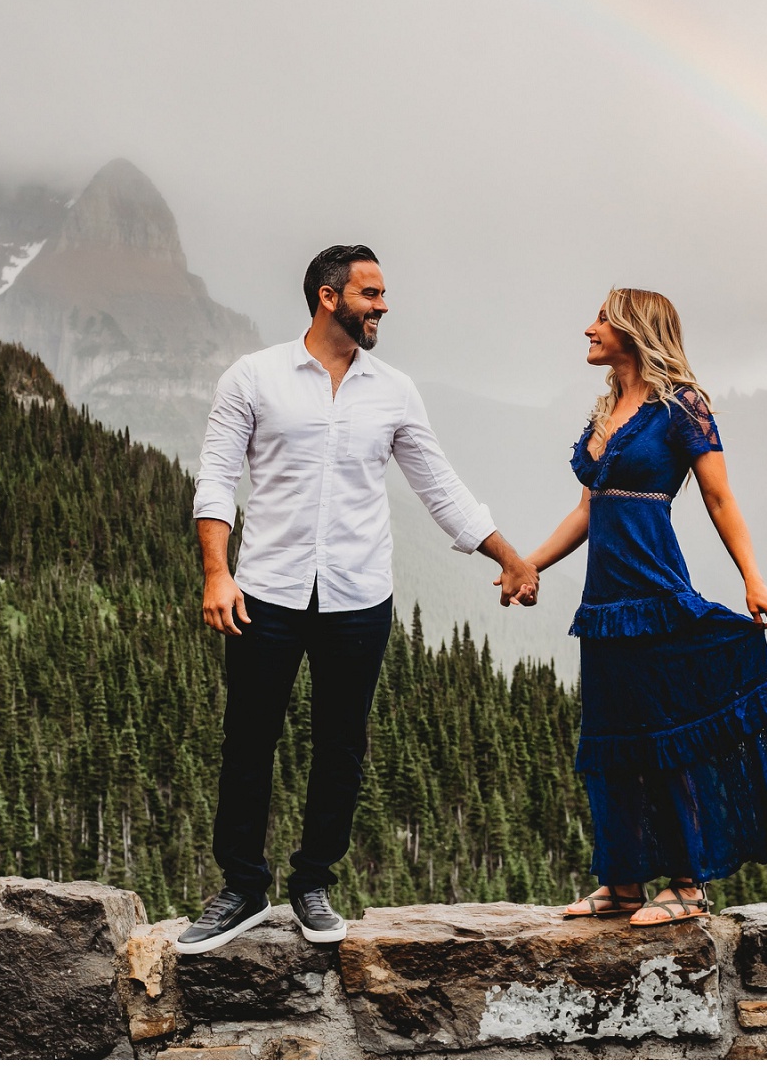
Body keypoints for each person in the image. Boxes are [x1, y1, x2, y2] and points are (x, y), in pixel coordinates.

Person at [183, 243, 540, 953]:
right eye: (371, 294)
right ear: (328, 296)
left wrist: (509, 557)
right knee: (248, 740)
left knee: (340, 746)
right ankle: (242, 888)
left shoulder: (394, 390)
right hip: (268, 592)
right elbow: (217, 478)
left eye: (381, 295)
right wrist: (217, 573)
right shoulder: (253, 378)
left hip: (358, 598)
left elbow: (438, 485)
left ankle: (313, 883)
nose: (383, 306)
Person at [523, 289, 767, 924]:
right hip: (604, 605)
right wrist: (529, 565)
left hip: (656, 592)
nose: (588, 329)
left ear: (633, 329)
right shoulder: (605, 412)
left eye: (600, 319)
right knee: (610, 742)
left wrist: (754, 581)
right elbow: (586, 511)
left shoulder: (683, 407)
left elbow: (719, 498)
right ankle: (623, 882)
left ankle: (686, 885)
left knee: (668, 738)